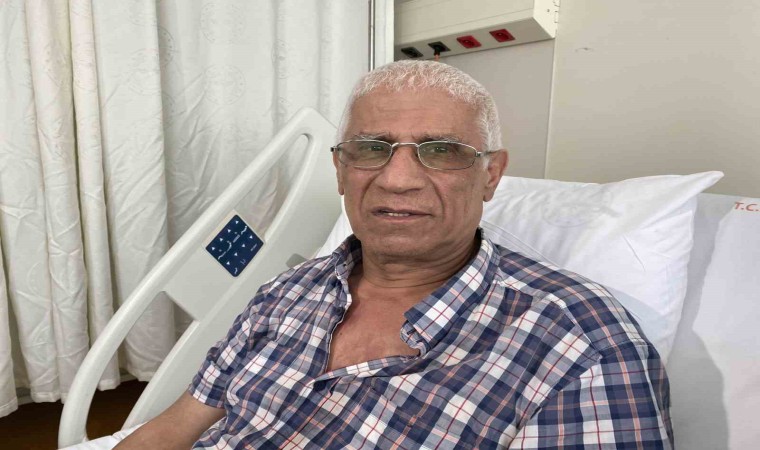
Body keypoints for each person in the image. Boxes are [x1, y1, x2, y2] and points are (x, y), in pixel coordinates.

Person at [116, 60, 673, 449]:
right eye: (370, 149)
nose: (397, 179)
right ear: (341, 171)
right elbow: (175, 428)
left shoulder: (579, 346)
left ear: (491, 175)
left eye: (442, 151)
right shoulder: (284, 294)